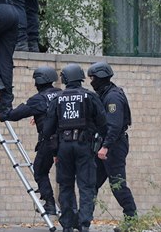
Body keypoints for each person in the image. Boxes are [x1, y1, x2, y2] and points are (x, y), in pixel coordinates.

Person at [0, 66, 61, 215]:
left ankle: (50, 204)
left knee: (40, 171)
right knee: (65, 177)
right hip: (65, 140)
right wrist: (38, 116)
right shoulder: (60, 93)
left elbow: (17, 114)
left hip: (49, 141)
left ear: (38, 82)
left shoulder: (38, 99)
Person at [42, 64, 107, 232]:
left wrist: (54, 151)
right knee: (86, 186)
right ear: (80, 78)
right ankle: (84, 224)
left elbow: (48, 129)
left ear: (64, 79)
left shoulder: (58, 98)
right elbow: (103, 123)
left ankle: (68, 225)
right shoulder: (90, 96)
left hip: (64, 148)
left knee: (65, 185)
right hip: (84, 147)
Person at [88, 62, 137, 229]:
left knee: (117, 184)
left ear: (100, 77)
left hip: (113, 145)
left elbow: (114, 126)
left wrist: (105, 146)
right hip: (105, 144)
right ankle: (84, 220)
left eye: (93, 78)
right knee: (91, 182)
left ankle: (131, 221)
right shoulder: (104, 94)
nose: (91, 81)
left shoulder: (113, 97)